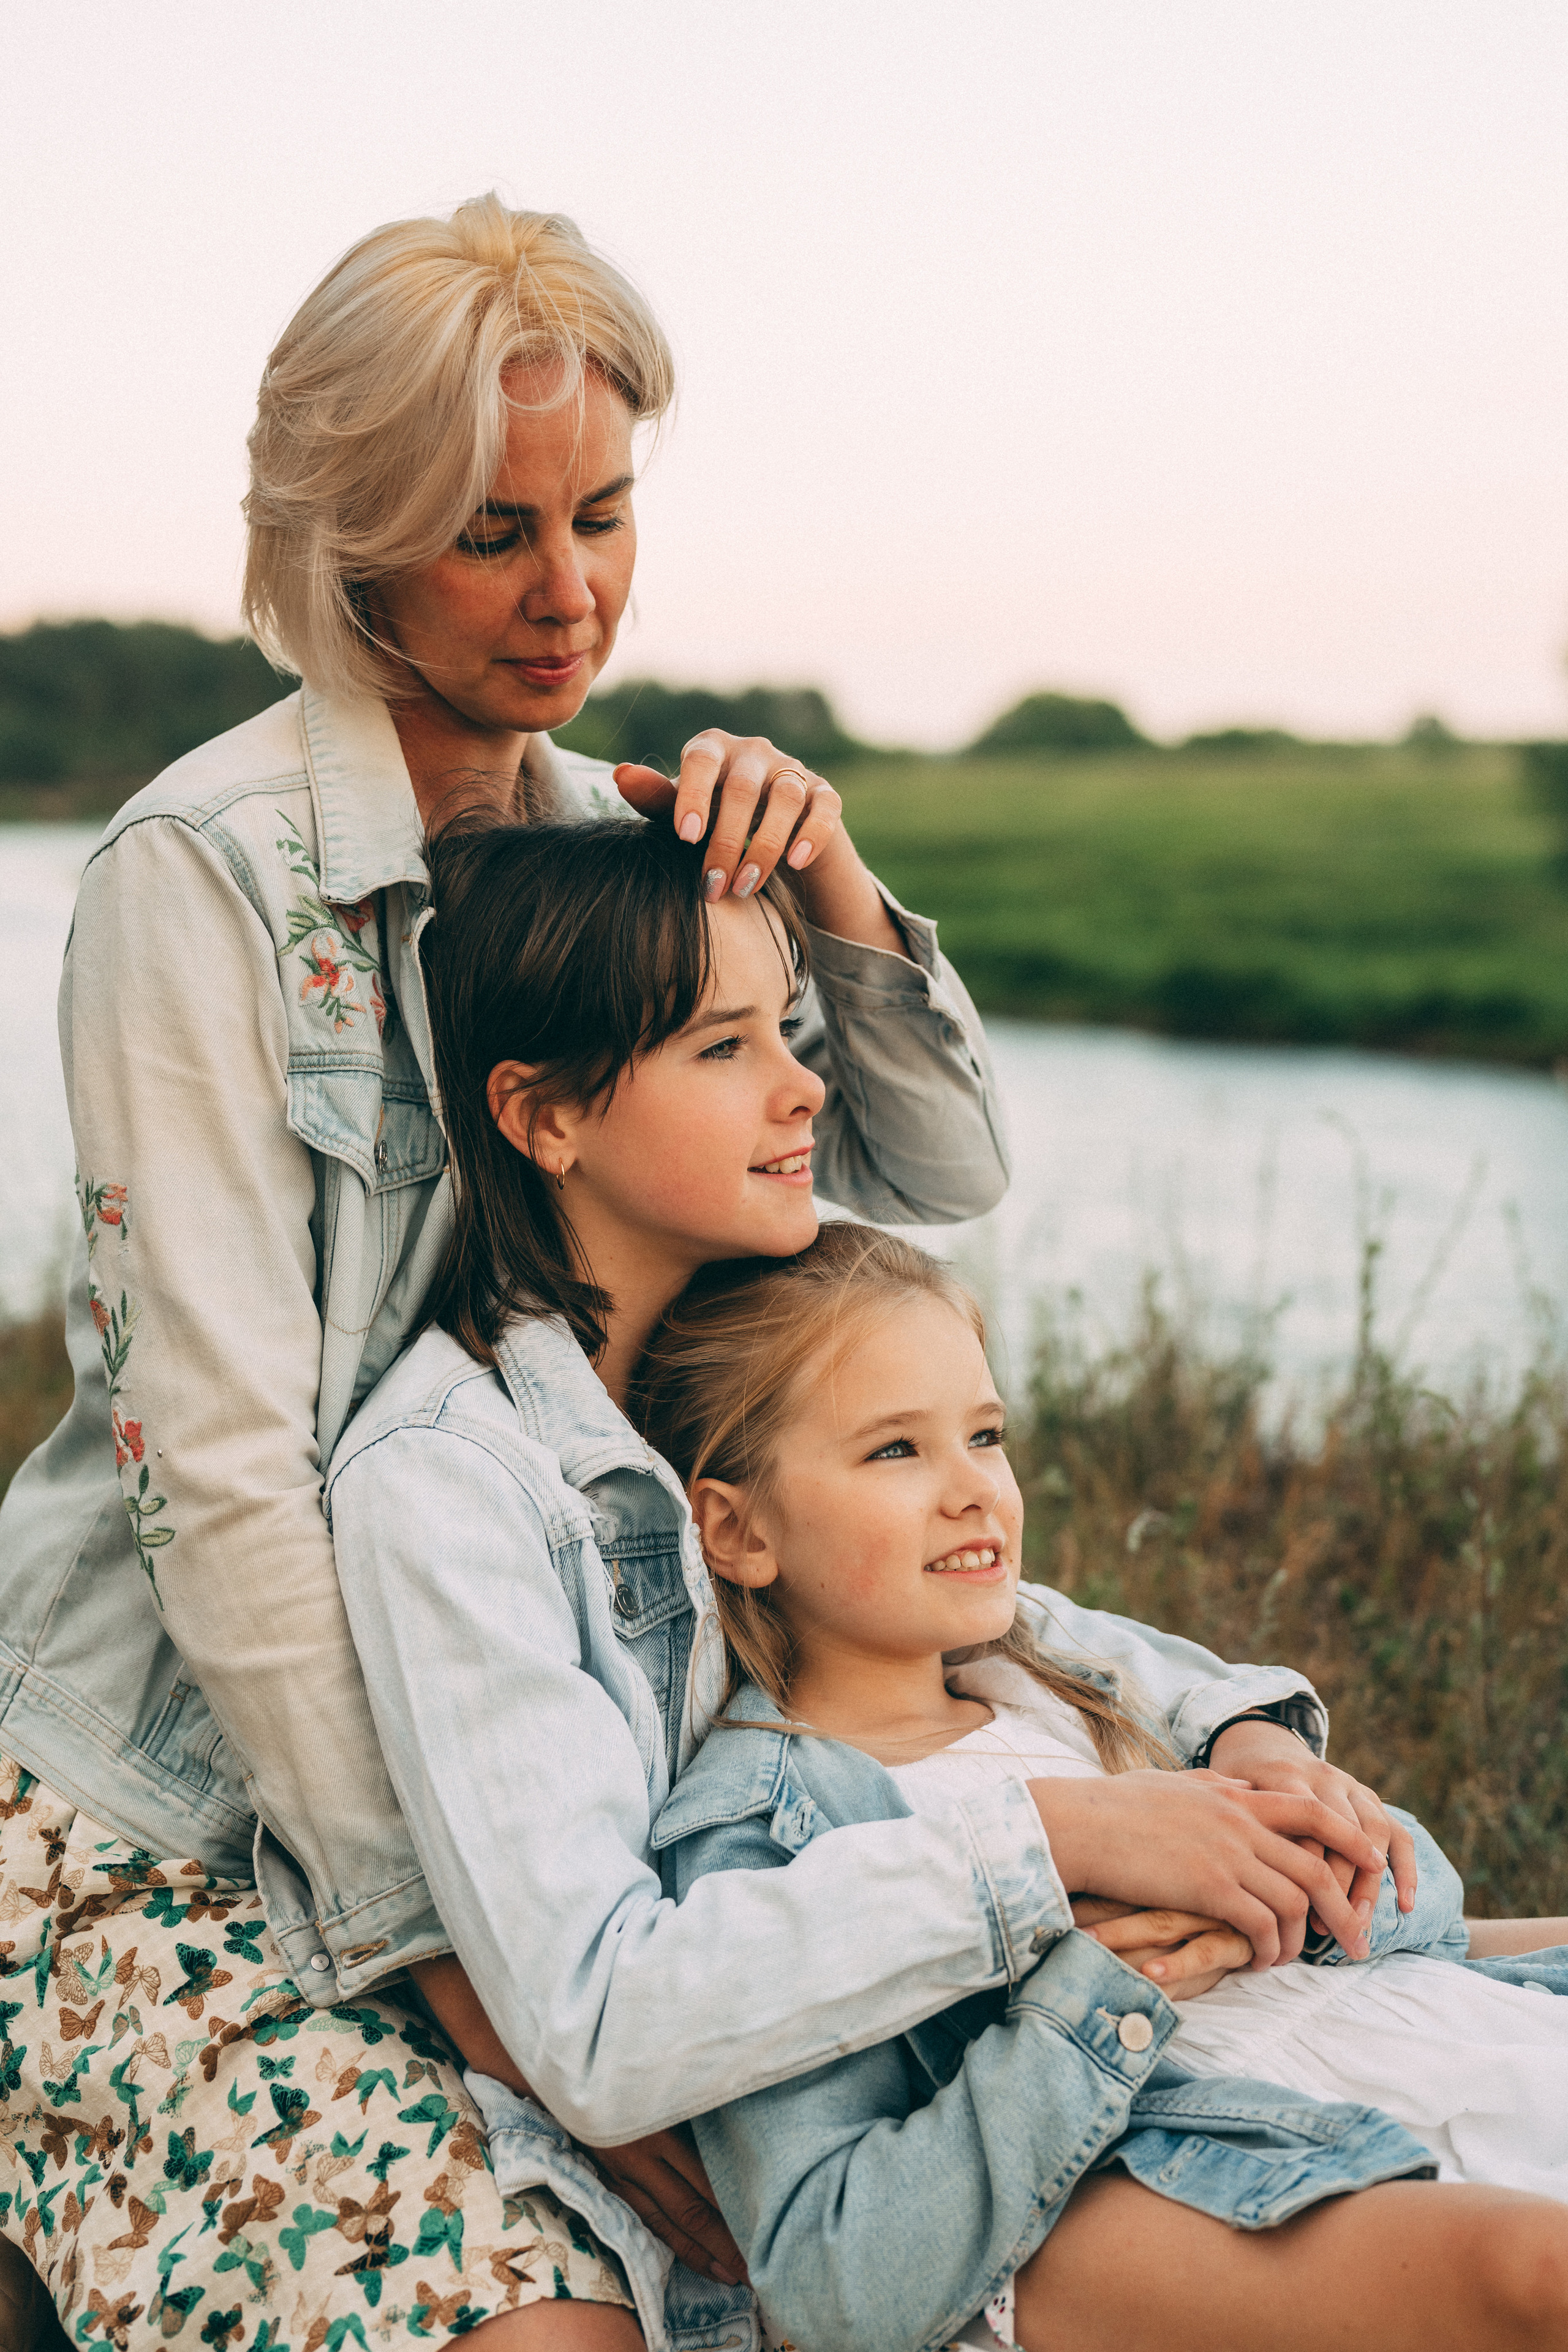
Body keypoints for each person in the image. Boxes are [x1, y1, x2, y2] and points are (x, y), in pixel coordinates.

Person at [0, 194, 1020, 2347]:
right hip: (180, 1811)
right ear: (349, 544)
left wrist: (829, 880)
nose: (571, 595)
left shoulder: (620, 856)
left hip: (555, 1756)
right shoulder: (201, 879)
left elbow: (929, 1179)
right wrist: (473, 1986)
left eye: (604, 516)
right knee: (557, 2316)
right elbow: (224, 1482)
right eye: (491, 535)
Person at [326, 815, 1412, 2351]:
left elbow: (991, 1610)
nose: (801, 1087)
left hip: (955, 2055)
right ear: (544, 1115)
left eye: (788, 1028)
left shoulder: (734, 1315)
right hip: (819, 2160)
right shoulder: (448, 1480)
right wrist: (1052, 1836)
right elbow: (600, 2024)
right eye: (724, 1047)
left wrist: (1234, 1734)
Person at [639, 1221, 1568, 2352]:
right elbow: (833, 2268)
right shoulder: (769, 1826)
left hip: (1412, 2033)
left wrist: (1293, 1857)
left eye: (986, 1435)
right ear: (737, 1529)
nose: (975, 1490)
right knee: (1540, 2271)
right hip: (1206, 2157)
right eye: (896, 1450)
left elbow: (1424, 1899)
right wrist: (1109, 1979)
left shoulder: (1053, 1686)